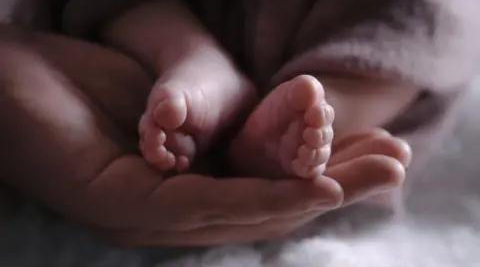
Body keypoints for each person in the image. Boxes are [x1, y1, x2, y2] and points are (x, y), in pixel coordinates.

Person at [0, 22, 409, 246]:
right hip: (166, 24)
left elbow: (403, 45)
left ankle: (287, 130)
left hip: (352, 34)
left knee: (368, 67)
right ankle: (192, 56)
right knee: (138, 12)